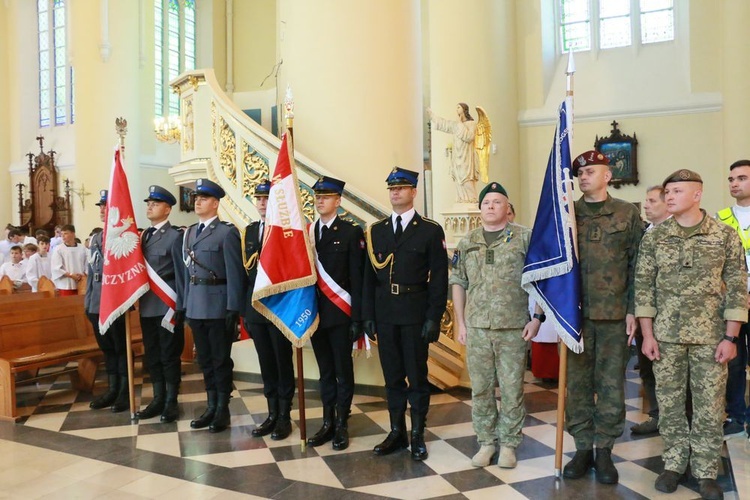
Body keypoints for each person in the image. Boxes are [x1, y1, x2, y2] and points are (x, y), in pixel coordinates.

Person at [636, 169, 746, 499]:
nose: (669, 197)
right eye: (667, 191)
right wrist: (648, 335)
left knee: (710, 407)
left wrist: (731, 338)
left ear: (697, 195)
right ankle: (673, 464)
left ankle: (706, 471)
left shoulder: (724, 235)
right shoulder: (655, 237)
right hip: (666, 336)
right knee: (668, 405)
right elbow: (643, 288)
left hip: (711, 338)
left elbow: (738, 288)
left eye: (677, 191)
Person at [563, 150, 642, 484]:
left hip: (612, 316)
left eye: (590, 171)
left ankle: (604, 450)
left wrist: (633, 310)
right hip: (575, 316)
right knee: (577, 386)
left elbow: (639, 265)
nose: (583, 177)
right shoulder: (567, 215)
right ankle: (582, 448)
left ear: (607, 175)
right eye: (580, 173)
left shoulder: (626, 213)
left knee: (610, 385)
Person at [450, 182, 541, 469]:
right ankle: (486, 442)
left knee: (513, 389)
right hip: (477, 327)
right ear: (480, 208)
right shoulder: (468, 242)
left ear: (507, 207)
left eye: (497, 201)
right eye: (486, 202)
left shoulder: (525, 238)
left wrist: (537, 318)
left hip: (513, 326)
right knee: (481, 389)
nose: (491, 206)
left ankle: (510, 444)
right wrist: (460, 323)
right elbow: (458, 283)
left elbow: (540, 279)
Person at [363, 167, 449, 461]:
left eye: (401, 188)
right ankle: (396, 431)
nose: (395, 192)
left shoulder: (429, 230)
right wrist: (368, 315)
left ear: (413, 192)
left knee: (417, 378)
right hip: (386, 314)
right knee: (392, 378)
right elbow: (368, 278)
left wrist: (432, 318)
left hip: (414, 313)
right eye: (391, 188)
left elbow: (439, 278)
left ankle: (417, 434)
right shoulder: (377, 231)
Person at [176, 178, 243, 433]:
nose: (198, 202)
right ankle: (210, 404)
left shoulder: (227, 232)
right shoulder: (190, 232)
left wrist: (232, 308)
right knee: (203, 359)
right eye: (196, 198)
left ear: (215, 204)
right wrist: (183, 304)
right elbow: (186, 272)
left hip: (217, 305)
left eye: (203, 199)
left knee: (219, 359)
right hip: (195, 304)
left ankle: (222, 408)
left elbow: (235, 272)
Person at [307, 176, 365, 451]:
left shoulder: (350, 232)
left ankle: (342, 423)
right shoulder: (307, 233)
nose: (320, 200)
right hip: (315, 315)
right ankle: (327, 421)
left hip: (341, 315)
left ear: (338, 201)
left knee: (343, 371)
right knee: (325, 372)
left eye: (326, 196)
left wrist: (357, 319)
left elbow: (358, 278)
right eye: (317, 196)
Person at [241, 180, 295, 440]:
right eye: (258, 199)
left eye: (267, 199)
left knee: (283, 363)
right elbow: (245, 276)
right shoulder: (249, 232)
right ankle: (272, 413)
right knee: (266, 364)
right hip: (256, 310)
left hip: (280, 308)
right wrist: (245, 313)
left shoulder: (286, 232)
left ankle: (285, 416)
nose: (262, 203)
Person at [136, 185, 185, 423]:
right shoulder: (144, 235)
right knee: (152, 354)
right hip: (147, 304)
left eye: (155, 204)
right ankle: (157, 398)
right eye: (148, 203)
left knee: (169, 354)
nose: (149, 206)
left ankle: (171, 401)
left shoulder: (176, 236)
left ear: (167, 209)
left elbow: (181, 273)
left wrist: (179, 305)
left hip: (167, 304)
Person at [85, 190, 129, 412]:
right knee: (108, 349)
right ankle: (112, 389)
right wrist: (88, 303)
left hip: (114, 302)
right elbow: (90, 272)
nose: (102, 210)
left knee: (120, 348)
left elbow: (125, 272)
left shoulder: (121, 237)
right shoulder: (95, 238)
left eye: (106, 206)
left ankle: (124, 391)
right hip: (96, 303)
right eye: (100, 206)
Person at [631, 185, 670, 436]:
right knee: (647, 367)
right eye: (646, 200)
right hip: (643, 311)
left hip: (670, 314)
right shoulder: (643, 233)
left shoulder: (676, 233)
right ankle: (656, 416)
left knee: (672, 370)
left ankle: (676, 419)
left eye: (652, 201)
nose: (646, 205)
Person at [717, 159, 750, 440]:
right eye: (731, 179)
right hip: (733, 302)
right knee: (734, 360)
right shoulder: (721, 218)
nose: (734, 183)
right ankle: (736, 415)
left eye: (741, 178)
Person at [427, 104, 480, 203]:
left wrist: (459, 123)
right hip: (457, 156)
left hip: (467, 157)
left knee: (467, 178)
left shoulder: (471, 124)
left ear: (464, 109)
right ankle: (461, 199)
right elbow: (444, 124)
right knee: (458, 178)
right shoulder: (456, 124)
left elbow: (469, 137)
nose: (456, 109)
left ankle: (472, 199)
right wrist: (432, 116)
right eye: (456, 107)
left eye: (458, 107)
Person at [50, 224, 87, 295]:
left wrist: (84, 276)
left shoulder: (82, 248)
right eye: (62, 234)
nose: (63, 236)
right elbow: (56, 268)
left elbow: (87, 264)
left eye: (66, 233)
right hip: (65, 284)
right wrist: (71, 275)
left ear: (73, 234)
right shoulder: (58, 249)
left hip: (81, 283)